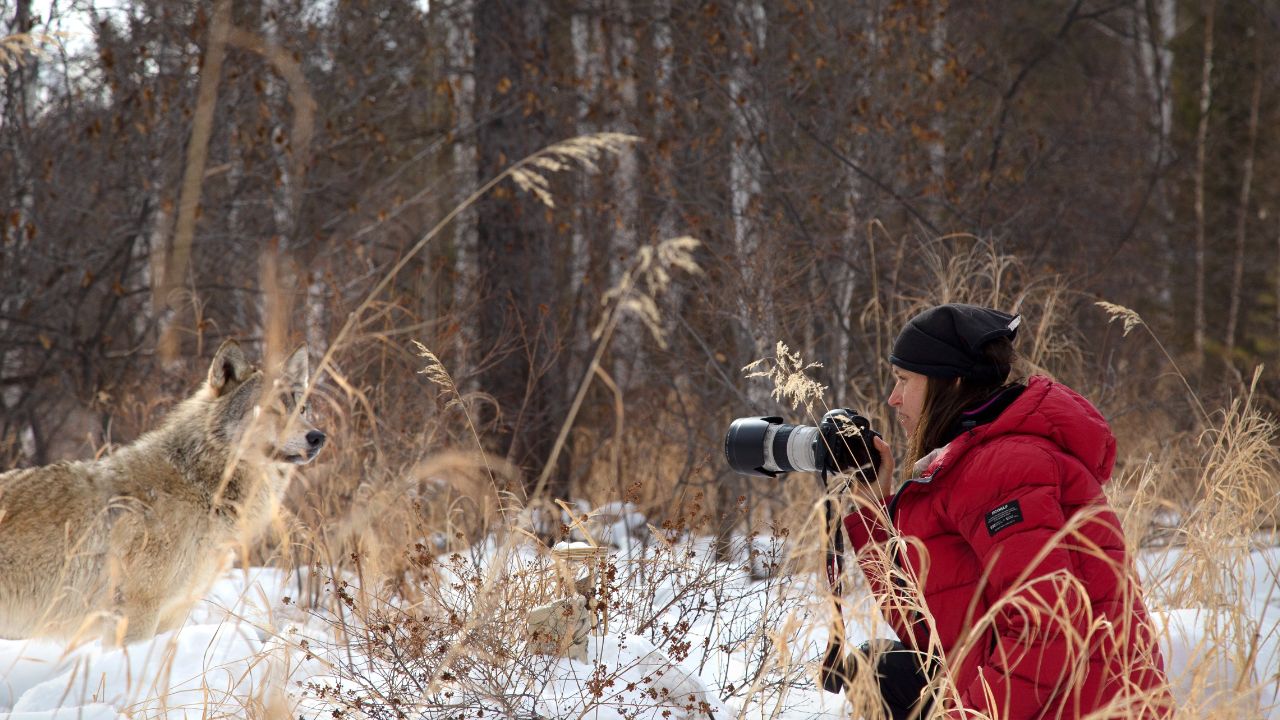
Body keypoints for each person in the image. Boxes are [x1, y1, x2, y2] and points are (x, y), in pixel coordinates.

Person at [840, 304, 1171, 720]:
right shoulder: (969, 463)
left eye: (904, 380)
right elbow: (932, 627)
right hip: (1048, 699)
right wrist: (873, 508)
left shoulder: (1004, 468)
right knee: (882, 671)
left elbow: (1047, 629)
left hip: (1081, 708)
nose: (893, 398)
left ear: (952, 381)